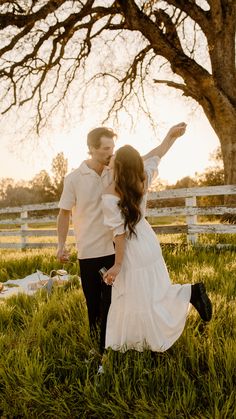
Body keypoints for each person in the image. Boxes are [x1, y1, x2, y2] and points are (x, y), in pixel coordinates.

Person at [101, 128, 212, 353]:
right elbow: (157, 155)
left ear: (119, 166)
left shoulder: (110, 192)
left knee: (139, 296)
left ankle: (142, 339)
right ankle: (187, 294)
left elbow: (119, 234)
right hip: (148, 242)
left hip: (132, 249)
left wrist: (118, 264)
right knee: (156, 291)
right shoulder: (144, 178)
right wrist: (170, 137)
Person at [57, 127, 116, 353]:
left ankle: (114, 341)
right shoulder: (73, 179)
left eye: (112, 147)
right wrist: (61, 245)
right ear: (91, 149)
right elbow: (64, 213)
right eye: (105, 148)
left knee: (115, 300)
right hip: (89, 251)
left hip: (115, 249)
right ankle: (97, 345)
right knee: (94, 303)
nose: (111, 152)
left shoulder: (115, 171)